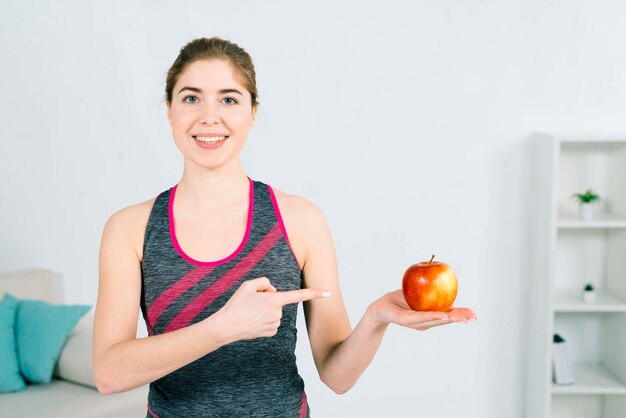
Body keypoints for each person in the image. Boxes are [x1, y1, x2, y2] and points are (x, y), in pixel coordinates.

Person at [92, 36, 476, 418]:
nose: (210, 116)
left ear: (252, 112)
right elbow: (108, 373)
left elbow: (337, 375)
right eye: (191, 98)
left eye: (229, 99)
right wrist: (224, 327)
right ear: (170, 111)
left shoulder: (300, 221)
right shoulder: (130, 229)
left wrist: (376, 318)